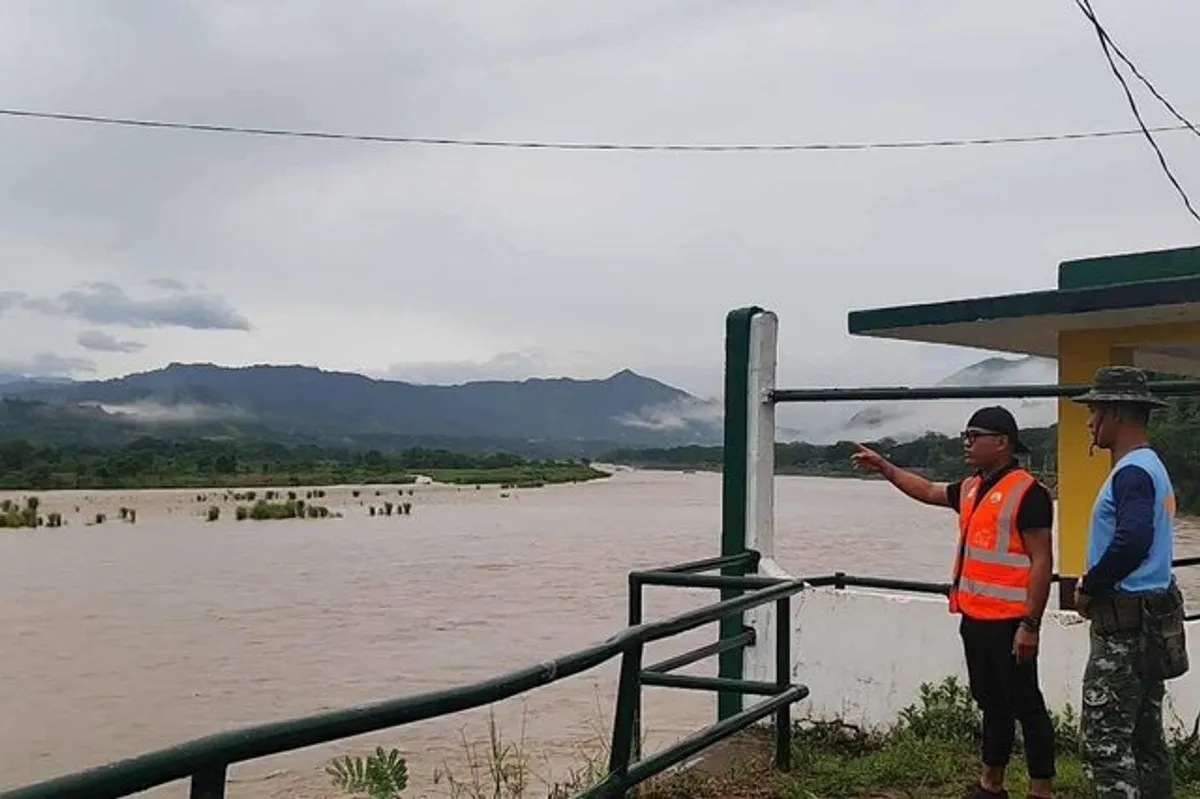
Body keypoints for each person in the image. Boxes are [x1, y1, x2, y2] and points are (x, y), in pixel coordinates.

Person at [852, 405, 1056, 799]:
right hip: (975, 617)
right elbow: (928, 491)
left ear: (1002, 442)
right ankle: (990, 785)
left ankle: (1041, 790)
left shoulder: (1028, 493)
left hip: (1012, 622)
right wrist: (886, 468)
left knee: (1027, 706)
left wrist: (1031, 624)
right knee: (992, 704)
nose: (966, 442)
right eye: (965, 434)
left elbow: (1042, 560)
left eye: (974, 435)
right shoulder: (971, 488)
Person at [1071, 365, 1189, 799]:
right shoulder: (1151, 467)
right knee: (1146, 742)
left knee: (1104, 746)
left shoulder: (1131, 472)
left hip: (1122, 630)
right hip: (1149, 625)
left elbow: (1133, 539)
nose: (1089, 422)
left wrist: (1090, 585)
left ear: (1116, 412)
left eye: (1095, 410)